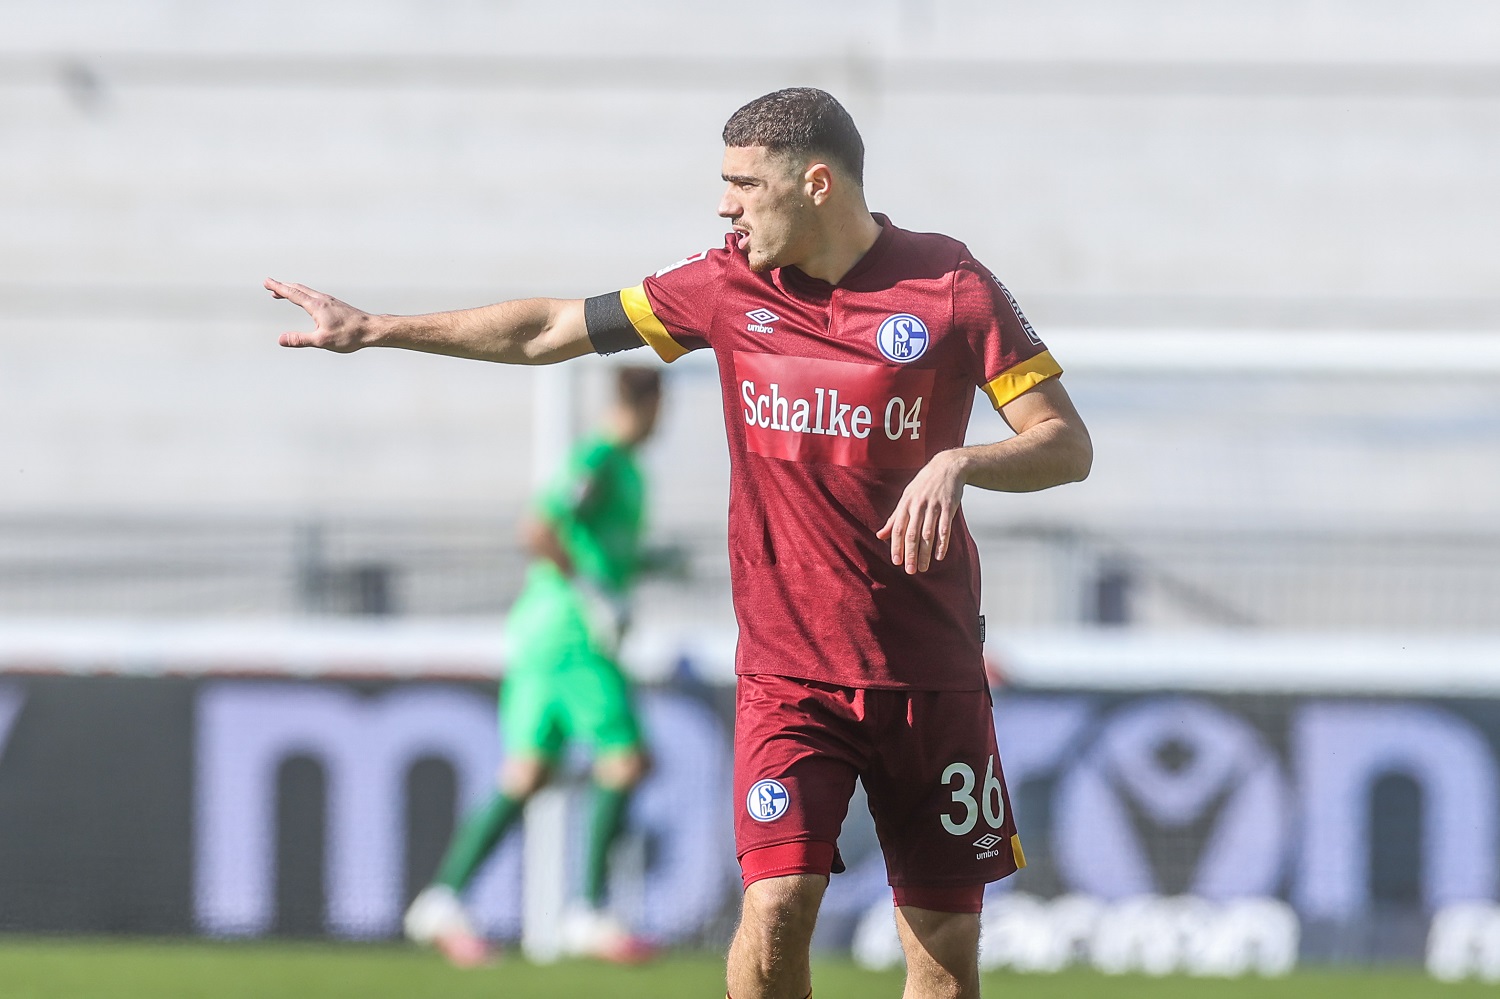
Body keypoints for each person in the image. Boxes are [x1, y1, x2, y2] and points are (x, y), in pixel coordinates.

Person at [267, 87, 1092, 999]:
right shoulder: (726, 285)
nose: (724, 206)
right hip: (789, 676)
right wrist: (379, 328)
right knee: (776, 907)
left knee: (942, 957)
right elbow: (550, 328)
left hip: (929, 673)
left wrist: (962, 462)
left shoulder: (950, 286)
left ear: (817, 184)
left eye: (745, 184)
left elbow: (1066, 443)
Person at [402, 367, 664, 967]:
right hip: (572, 635)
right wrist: (592, 592)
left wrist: (652, 566)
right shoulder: (600, 459)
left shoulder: (623, 468)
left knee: (528, 772)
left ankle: (441, 900)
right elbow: (539, 526)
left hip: (539, 635)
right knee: (624, 758)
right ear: (651, 402)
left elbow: (603, 547)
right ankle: (587, 912)